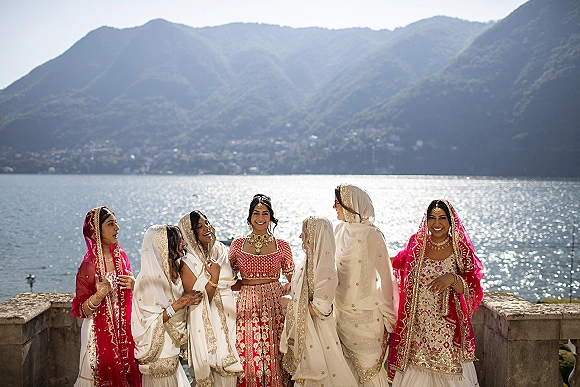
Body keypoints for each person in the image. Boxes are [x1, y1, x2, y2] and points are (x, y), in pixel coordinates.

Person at [387, 199, 484, 387]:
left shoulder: (459, 248)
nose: (436, 224)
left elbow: (473, 287)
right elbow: (399, 263)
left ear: (451, 221)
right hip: (417, 326)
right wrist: (372, 255)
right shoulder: (417, 243)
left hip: (447, 326)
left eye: (442, 218)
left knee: (449, 373)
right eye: (432, 218)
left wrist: (453, 279)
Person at [332, 184, 399, 387]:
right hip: (340, 315)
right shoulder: (338, 230)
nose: (334, 207)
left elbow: (386, 279)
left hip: (367, 320)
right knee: (344, 371)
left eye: (337, 203)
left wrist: (390, 316)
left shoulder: (373, 235)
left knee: (368, 374)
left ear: (350, 206)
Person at [280, 216, 358, 387]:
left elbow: (320, 309)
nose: (301, 236)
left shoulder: (325, 269)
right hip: (307, 328)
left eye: (305, 232)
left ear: (316, 236)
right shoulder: (306, 262)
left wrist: (289, 304)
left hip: (319, 333)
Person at [228, 194, 295, 387]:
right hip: (247, 303)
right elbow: (228, 279)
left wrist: (287, 291)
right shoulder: (237, 245)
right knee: (249, 350)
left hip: (275, 302)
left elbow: (294, 279)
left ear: (271, 217)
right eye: (256, 213)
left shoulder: (282, 246)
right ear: (249, 217)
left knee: (276, 350)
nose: (260, 217)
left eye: (265, 213)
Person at [71, 206, 142, 387]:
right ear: (96, 230)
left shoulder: (121, 257)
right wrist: (101, 293)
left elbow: (132, 296)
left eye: (116, 223)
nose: (117, 229)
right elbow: (81, 310)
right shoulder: (88, 265)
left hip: (125, 332)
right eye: (111, 224)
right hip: (98, 334)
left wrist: (134, 284)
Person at [131, 224, 203, 387]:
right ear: (166, 246)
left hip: (173, 351)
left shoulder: (176, 270)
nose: (184, 243)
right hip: (158, 354)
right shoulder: (148, 281)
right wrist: (180, 303)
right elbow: (149, 323)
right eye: (179, 240)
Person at [178, 210, 243, 387]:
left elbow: (231, 283)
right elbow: (197, 300)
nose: (207, 227)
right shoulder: (187, 262)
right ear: (190, 233)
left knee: (232, 372)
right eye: (199, 226)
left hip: (230, 316)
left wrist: (261, 284)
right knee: (215, 373)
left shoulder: (220, 250)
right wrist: (213, 278)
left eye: (207, 222)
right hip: (208, 323)